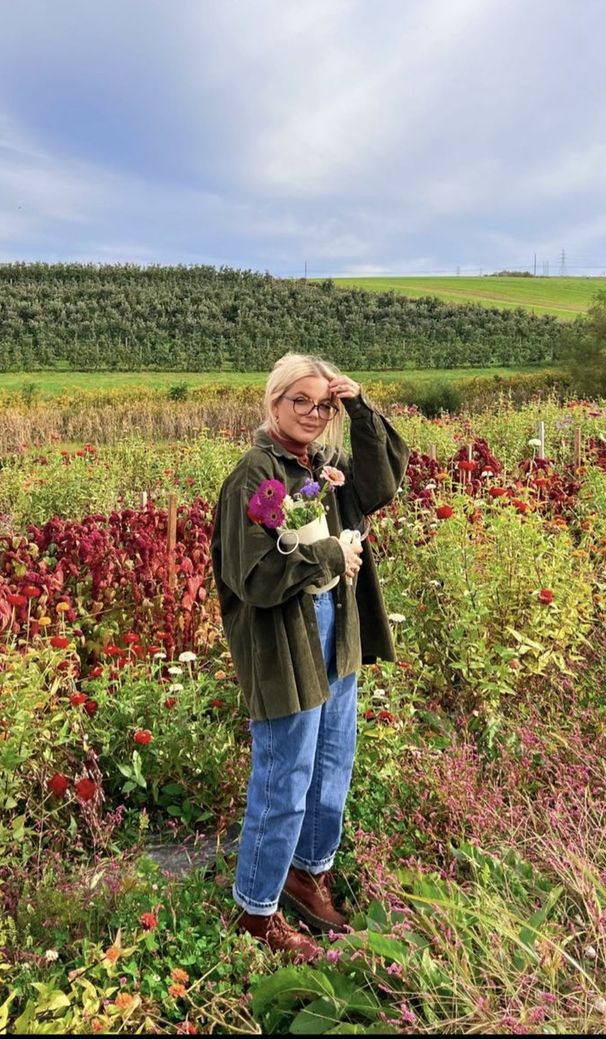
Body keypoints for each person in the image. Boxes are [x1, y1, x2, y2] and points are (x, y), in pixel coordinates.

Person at [211, 352, 410, 960]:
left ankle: (308, 872)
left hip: (336, 630)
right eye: (301, 400)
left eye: (323, 404)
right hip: (284, 640)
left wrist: (360, 410)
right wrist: (328, 559)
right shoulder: (254, 474)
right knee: (285, 774)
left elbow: (382, 486)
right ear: (273, 403)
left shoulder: (323, 467)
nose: (313, 413)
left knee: (332, 764)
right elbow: (253, 577)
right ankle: (257, 909)